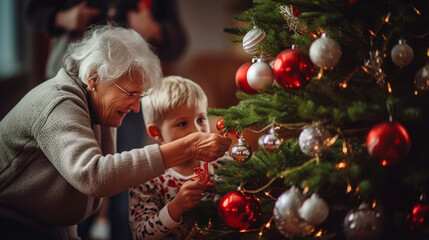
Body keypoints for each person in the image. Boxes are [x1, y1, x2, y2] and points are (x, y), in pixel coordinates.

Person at [0, 25, 231, 240]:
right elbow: (95, 176)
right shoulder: (58, 103)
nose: (136, 107)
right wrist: (187, 147)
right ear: (94, 78)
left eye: (139, 96)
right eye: (130, 93)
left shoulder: (97, 105)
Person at [128, 76, 230, 239]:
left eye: (201, 119)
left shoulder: (222, 164)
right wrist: (176, 207)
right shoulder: (148, 177)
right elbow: (142, 235)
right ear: (156, 132)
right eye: (182, 123)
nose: (197, 130)